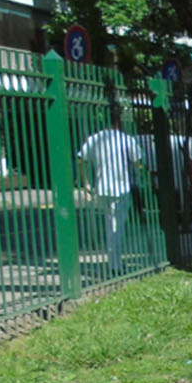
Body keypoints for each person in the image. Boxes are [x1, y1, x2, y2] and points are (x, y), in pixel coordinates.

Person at [77, 109, 143, 276]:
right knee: (116, 226)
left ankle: (114, 260)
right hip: (121, 187)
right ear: (119, 122)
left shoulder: (94, 139)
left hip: (101, 187)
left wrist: (86, 182)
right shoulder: (125, 139)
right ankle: (115, 264)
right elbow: (138, 162)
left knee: (110, 223)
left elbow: (80, 159)